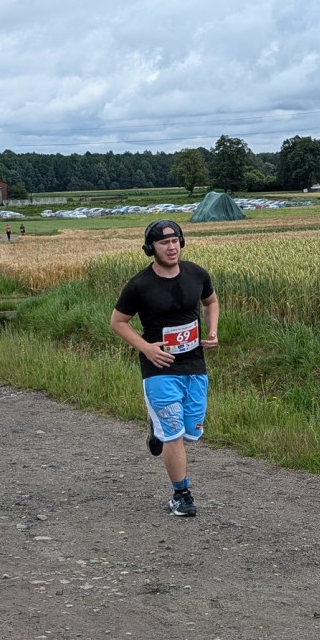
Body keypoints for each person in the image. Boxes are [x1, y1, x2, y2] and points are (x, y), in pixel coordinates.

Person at [110, 219, 219, 517]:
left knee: (189, 432)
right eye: (163, 243)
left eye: (175, 241)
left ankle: (157, 431)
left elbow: (211, 302)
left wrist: (212, 331)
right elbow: (118, 322)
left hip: (194, 364)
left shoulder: (197, 274)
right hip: (158, 368)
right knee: (174, 433)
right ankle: (181, 494)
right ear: (151, 248)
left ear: (181, 242)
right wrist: (146, 348)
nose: (171, 247)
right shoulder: (139, 285)